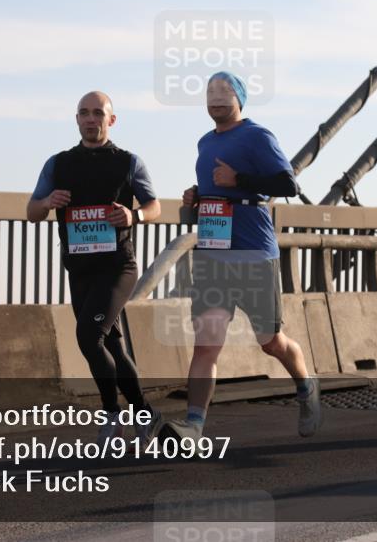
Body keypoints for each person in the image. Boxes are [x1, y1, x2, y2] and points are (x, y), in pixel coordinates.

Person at [163, 71, 322, 441]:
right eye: (210, 92)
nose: (216, 98)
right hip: (214, 254)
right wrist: (198, 197)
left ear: (240, 99)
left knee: (270, 342)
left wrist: (241, 182)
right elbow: (219, 190)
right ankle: (194, 427)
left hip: (252, 253)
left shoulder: (257, 136)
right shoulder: (204, 142)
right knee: (207, 343)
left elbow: (288, 185)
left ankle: (306, 384)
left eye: (225, 91)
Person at [28, 90, 163, 443]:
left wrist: (135, 215)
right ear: (76, 119)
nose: (91, 119)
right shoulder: (58, 164)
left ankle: (112, 414)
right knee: (112, 347)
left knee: (89, 336)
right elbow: (31, 212)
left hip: (118, 267)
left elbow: (155, 206)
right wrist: (47, 201)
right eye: (84, 113)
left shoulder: (128, 162)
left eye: (98, 113)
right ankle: (145, 414)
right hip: (80, 269)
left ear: (111, 120)